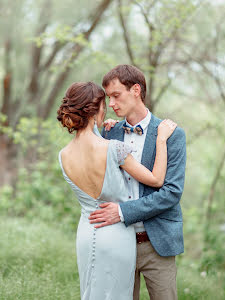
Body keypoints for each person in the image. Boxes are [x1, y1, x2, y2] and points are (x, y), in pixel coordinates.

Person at [57, 81, 177, 300]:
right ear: (96, 109)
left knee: (92, 293)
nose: (110, 106)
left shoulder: (63, 155)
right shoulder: (113, 147)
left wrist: (103, 129)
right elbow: (157, 179)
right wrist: (161, 140)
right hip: (116, 235)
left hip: (86, 231)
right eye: (105, 102)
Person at [89, 65, 186, 300]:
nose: (111, 103)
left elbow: (171, 192)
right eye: (108, 97)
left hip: (157, 244)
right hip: (117, 241)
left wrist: (123, 212)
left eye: (116, 95)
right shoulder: (109, 133)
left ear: (135, 90)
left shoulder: (172, 134)